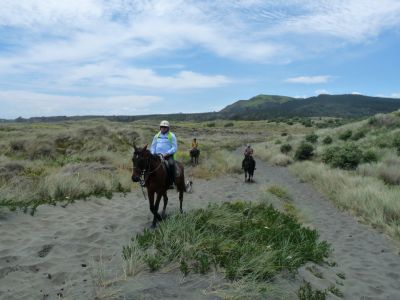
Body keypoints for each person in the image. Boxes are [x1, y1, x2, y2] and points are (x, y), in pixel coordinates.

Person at [150, 120, 178, 188]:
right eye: (162, 127)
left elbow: (174, 147)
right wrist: (153, 154)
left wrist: (167, 153)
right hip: (157, 155)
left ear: (168, 128)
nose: (163, 128)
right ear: (160, 127)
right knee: (148, 164)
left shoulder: (172, 136)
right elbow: (153, 147)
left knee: (171, 164)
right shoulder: (156, 136)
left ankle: (171, 182)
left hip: (167, 156)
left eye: (165, 127)